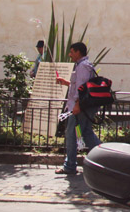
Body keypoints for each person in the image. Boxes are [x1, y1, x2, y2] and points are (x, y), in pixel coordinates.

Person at [54, 42, 102, 175]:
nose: (69, 55)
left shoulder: (82, 67)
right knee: (86, 132)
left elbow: (81, 89)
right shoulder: (85, 66)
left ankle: (70, 166)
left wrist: (76, 105)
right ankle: (103, 158)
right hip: (83, 106)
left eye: (71, 52)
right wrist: (65, 82)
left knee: (70, 134)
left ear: (78, 52)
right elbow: (80, 86)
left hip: (79, 107)